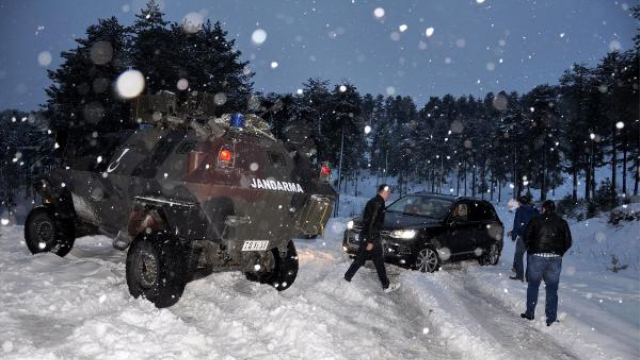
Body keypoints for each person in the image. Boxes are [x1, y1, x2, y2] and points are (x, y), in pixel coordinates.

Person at [520, 200, 572, 326]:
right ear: (554, 209)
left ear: (543, 209)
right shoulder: (562, 223)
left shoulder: (535, 220)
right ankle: (551, 318)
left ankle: (530, 313)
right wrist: (559, 252)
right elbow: (568, 241)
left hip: (537, 257)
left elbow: (526, 236)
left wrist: (532, 249)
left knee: (533, 285)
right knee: (552, 289)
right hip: (555, 259)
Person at [344, 184, 400, 293]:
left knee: (368, 260)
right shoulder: (378, 203)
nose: (389, 195)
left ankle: (348, 277)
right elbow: (371, 223)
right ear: (384, 192)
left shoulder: (375, 201)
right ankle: (385, 285)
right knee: (366, 260)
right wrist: (370, 240)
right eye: (388, 193)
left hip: (369, 236)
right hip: (371, 237)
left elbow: (369, 222)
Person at [508, 196, 539, 281]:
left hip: (524, 237)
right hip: (533, 238)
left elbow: (517, 224)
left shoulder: (520, 210)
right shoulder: (535, 210)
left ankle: (519, 275)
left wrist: (514, 235)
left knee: (518, 255)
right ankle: (529, 277)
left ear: (520, 202)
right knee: (529, 258)